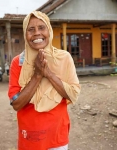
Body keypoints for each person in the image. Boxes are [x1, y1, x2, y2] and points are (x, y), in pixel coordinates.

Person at [8, 11, 81, 150]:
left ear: (49, 31)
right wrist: (37, 75)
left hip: (57, 136)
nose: (36, 33)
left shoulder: (64, 58)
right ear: (25, 34)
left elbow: (73, 93)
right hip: (30, 136)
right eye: (31, 29)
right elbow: (16, 104)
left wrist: (48, 73)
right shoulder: (18, 63)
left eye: (42, 27)